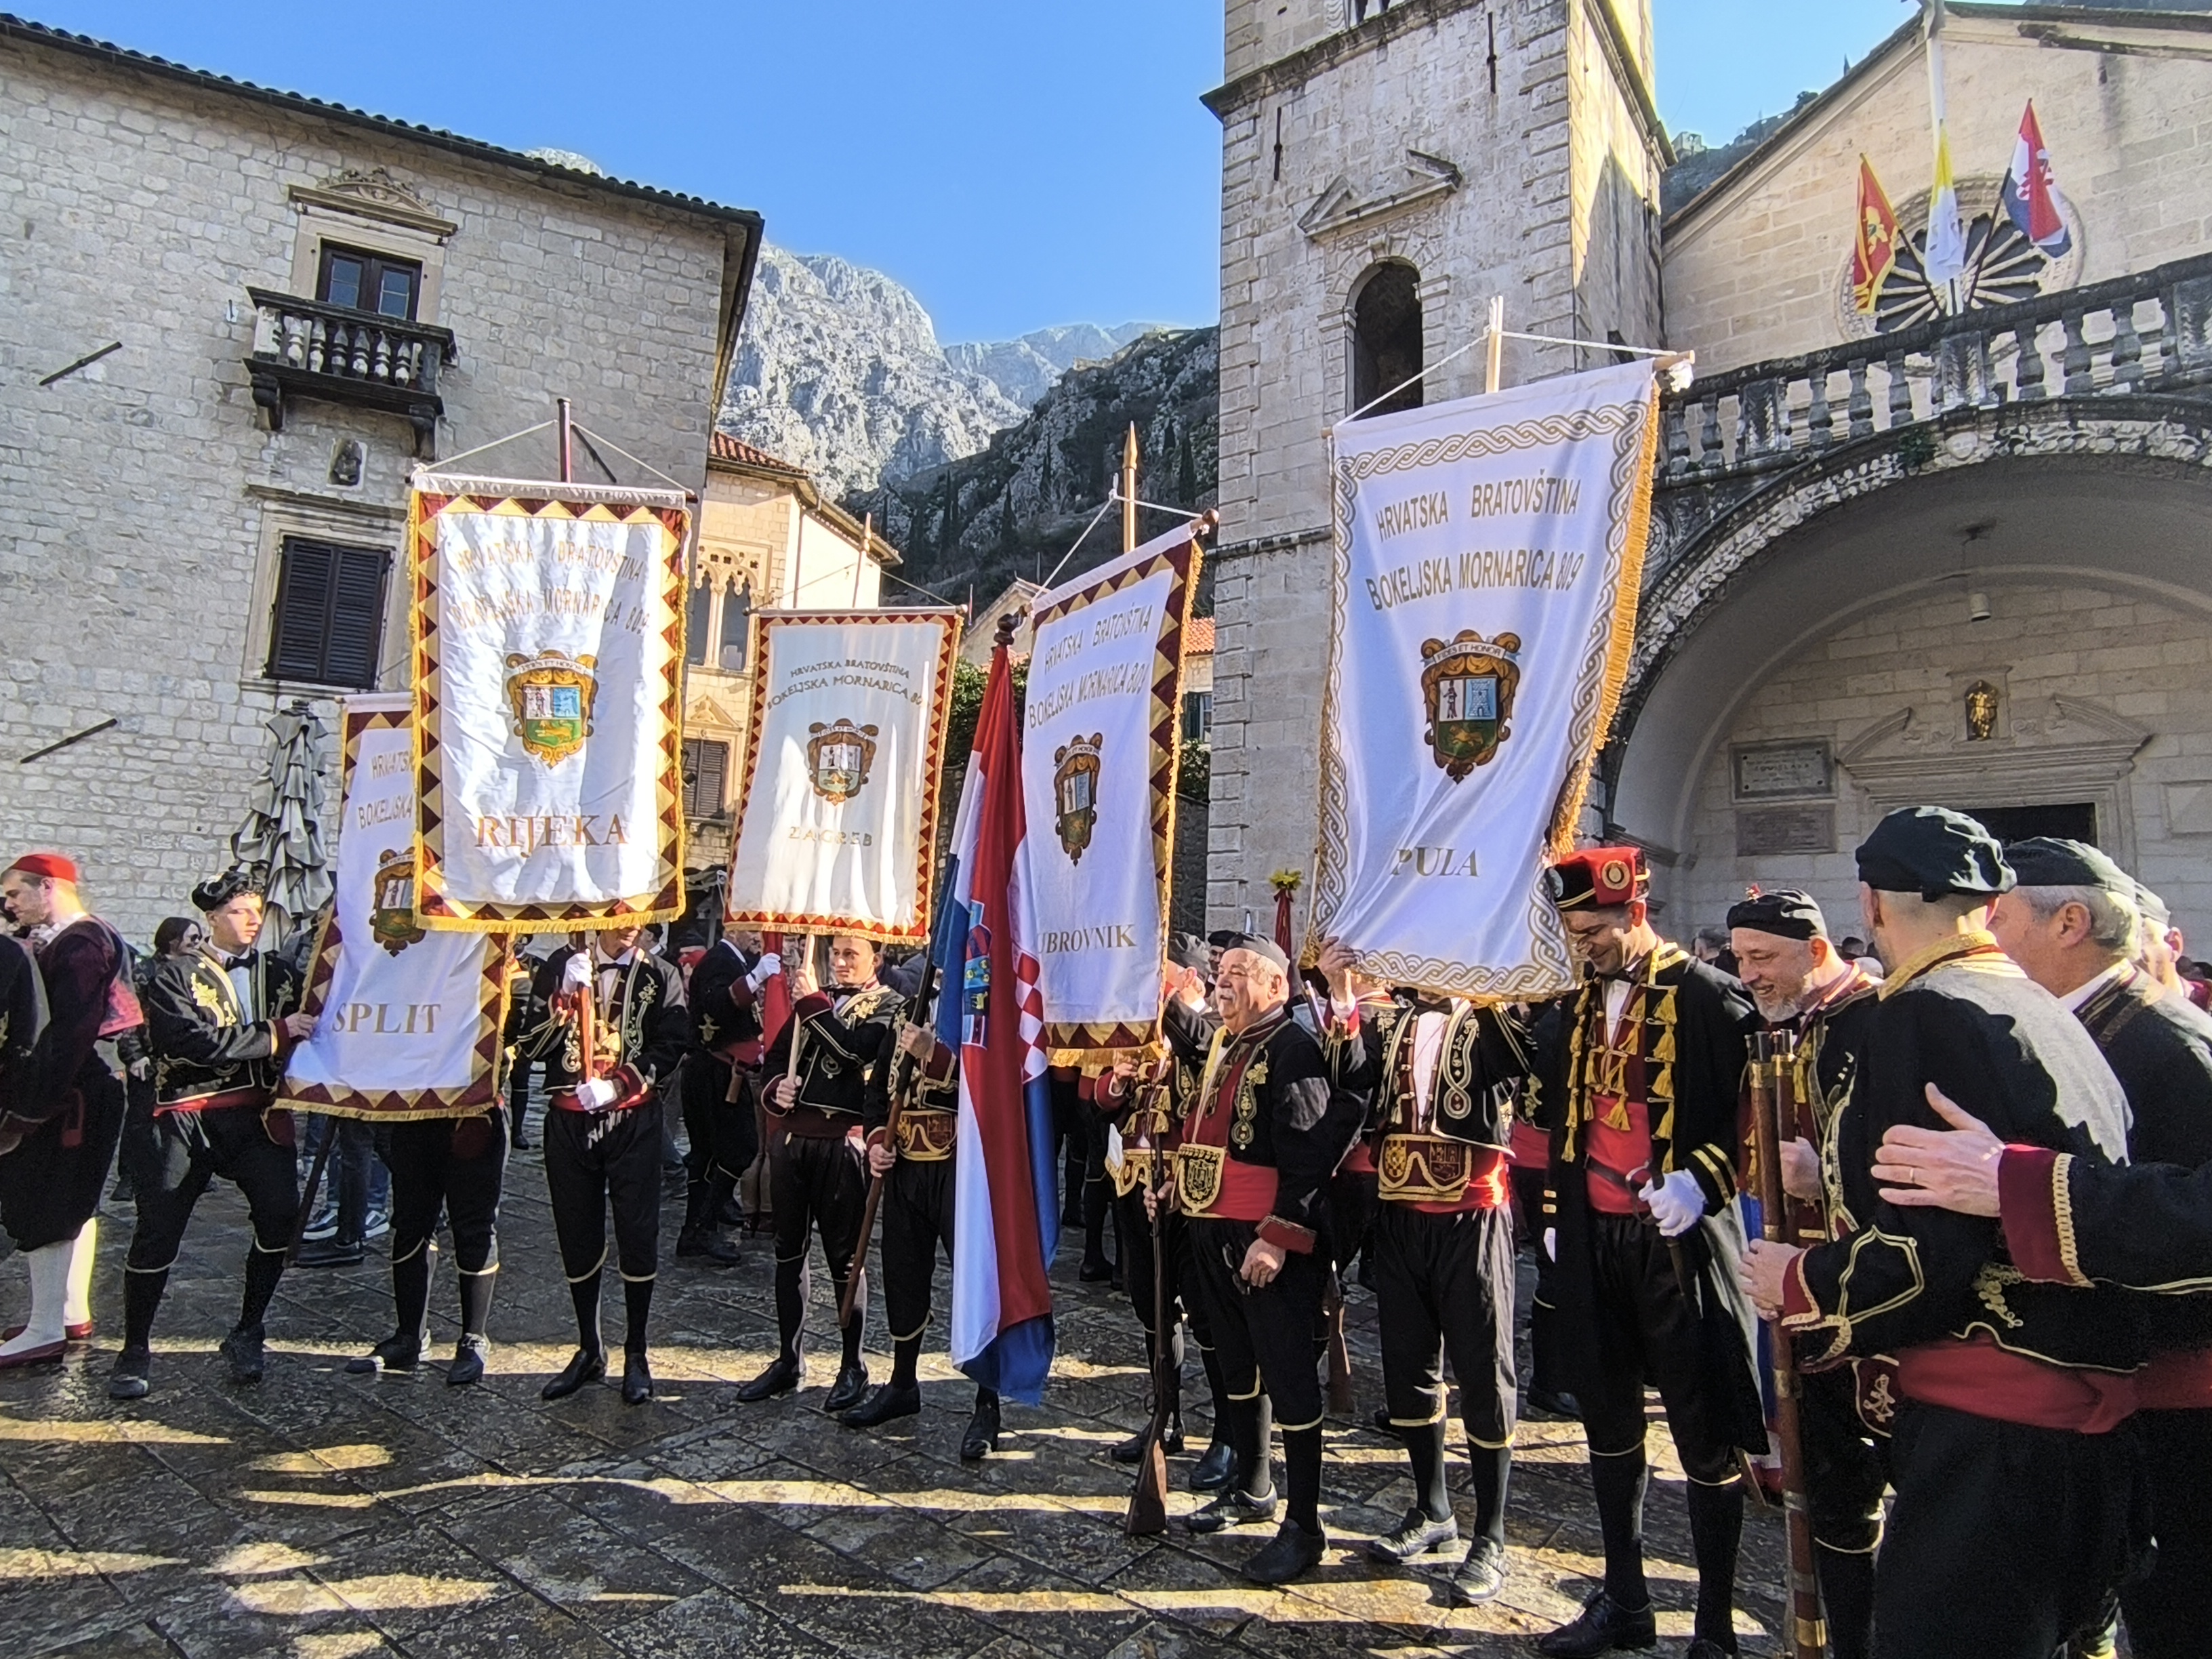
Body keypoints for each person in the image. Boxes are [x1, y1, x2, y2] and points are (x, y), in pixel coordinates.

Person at [1738, 807, 2144, 1659]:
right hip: (2083, 1421)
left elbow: (1928, 1253)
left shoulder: (1918, 1014)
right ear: (1988, 905)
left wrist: (1801, 1281)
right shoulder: (2042, 1004)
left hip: (1991, 1431)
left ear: (1872, 905)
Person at [1980, 838, 2212, 1657]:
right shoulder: (2090, 1029)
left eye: (1996, 917)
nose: (1982, 935)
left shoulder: (2168, 1045)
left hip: (2185, 1397)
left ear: (2070, 921)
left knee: (2180, 1608)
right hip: (2123, 1379)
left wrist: (2014, 1186)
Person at [1536, 846, 1765, 1659]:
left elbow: (1752, 1119)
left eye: (1592, 929)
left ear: (1633, 912)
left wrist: (1703, 1183)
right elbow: (1558, 1121)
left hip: (1680, 1241)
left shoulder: (1709, 997)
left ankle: (1714, 1627)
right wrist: (1560, 1210)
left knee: (1704, 1431)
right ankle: (1625, 1600)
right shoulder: (1570, 1004)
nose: (1582, 944)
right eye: (1571, 931)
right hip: (1596, 1237)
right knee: (1608, 1422)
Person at [1318, 937, 1532, 1604]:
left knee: (1482, 1367)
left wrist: (1491, 978)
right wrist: (1342, 995)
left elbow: (1523, 1062)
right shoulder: (1390, 1021)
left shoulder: (1496, 1015)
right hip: (1400, 1211)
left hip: (1472, 1211)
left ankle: (1490, 1533)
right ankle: (1432, 1507)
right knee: (1410, 1365)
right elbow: (1347, 1078)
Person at [1158, 935, 1360, 1586]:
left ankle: (1305, 1525)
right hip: (1211, 1226)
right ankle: (1251, 1486)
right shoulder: (1228, 1041)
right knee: (1236, 1365)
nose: (1224, 983)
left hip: (1262, 1237)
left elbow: (1308, 1154)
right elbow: (1208, 1126)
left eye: (1241, 973)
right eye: (1221, 973)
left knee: (1288, 1375)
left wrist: (1278, 1235)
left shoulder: (1292, 1047)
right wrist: (1177, 1181)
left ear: (1277, 987)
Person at [1725, 887, 1886, 1659]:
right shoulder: (1787, 1025)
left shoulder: (1879, 1021)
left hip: (1878, 1293)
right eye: (1741, 959)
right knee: (1828, 1492)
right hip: (1803, 1289)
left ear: (1818, 951)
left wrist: (1826, 1174)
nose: (1749, 976)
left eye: (1764, 959)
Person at [117, 869, 312, 1397]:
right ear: (211, 919)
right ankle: (135, 1346)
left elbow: (316, 1021)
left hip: (255, 1118)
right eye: (238, 912)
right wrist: (276, 1033)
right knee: (159, 1228)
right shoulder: (173, 974)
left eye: (257, 911)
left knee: (279, 1215)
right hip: (185, 1116)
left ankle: (250, 1329)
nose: (251, 922)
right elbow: (188, 1041)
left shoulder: (281, 972)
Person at [510, 924, 688, 1406]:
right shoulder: (557, 966)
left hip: (633, 1119)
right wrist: (561, 998)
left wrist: (622, 1083)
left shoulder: (662, 974)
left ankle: (637, 1350)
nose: (632, 922)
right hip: (570, 1119)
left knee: (637, 1231)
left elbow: (672, 1043)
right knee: (576, 1231)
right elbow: (528, 1045)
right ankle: (589, 1345)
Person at [737, 935, 898, 1413]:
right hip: (792, 1143)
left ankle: (853, 1364)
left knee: (845, 1259)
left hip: (842, 1145)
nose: (842, 963)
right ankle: (789, 1358)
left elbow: (855, 1053)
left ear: (877, 958)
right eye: (837, 954)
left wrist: (809, 1002)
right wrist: (776, 1092)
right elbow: (773, 1061)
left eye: (853, 954)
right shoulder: (818, 1002)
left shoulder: (891, 1007)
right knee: (788, 1252)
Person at [838, 1002, 1002, 1460]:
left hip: (961, 1167)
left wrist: (938, 1055)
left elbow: (995, 1087)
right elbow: (876, 1098)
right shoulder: (904, 1014)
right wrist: (875, 1145)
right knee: (902, 1274)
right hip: (906, 1166)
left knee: (975, 1283)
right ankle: (903, 1383)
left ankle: (987, 1403)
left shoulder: (981, 1009)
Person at [1098, 954, 1238, 1492]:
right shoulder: (1141, 1036)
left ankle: (1228, 1433)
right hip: (1134, 1184)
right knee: (1151, 1308)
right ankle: (1166, 1415)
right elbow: (1104, 1106)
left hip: (1191, 1194)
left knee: (1207, 1315)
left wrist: (1161, 997)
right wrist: (1118, 1080)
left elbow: (1198, 1052)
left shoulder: (1212, 1031)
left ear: (1191, 983)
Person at [0, 855, 131, 1368]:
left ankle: (44, 1328)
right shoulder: (80, 938)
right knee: (74, 1201)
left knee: (46, 1199)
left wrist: (27, 1113)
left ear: (48, 887)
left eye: (15, 894)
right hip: (80, 1090)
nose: (9, 905)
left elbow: (68, 1033)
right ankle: (69, 1311)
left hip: (72, 1095)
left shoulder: (81, 943)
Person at [678, 922, 777, 1265]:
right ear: (733, 928)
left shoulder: (732, 959)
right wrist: (754, 980)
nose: (758, 933)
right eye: (752, 927)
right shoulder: (720, 960)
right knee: (735, 1149)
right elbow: (721, 1003)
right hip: (713, 1072)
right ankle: (702, 1226)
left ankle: (704, 1222)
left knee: (716, 1153)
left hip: (722, 1070)